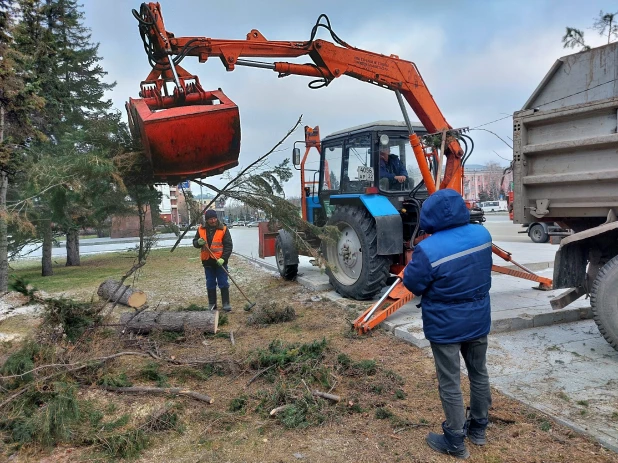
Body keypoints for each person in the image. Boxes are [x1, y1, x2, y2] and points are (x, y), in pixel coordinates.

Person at [402, 189, 492, 459]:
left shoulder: (427, 249)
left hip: (445, 326)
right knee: (479, 373)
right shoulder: (483, 236)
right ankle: (478, 429)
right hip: (477, 318)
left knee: (450, 381)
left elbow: (412, 284)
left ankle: (454, 440)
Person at [193, 209, 233, 312]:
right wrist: (198, 242)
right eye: (211, 219)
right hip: (207, 262)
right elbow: (195, 243)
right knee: (210, 283)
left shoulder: (223, 229)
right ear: (207, 220)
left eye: (214, 218)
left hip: (220, 262)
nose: (213, 221)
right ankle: (212, 303)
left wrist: (223, 259)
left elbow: (228, 246)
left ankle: (226, 303)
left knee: (223, 282)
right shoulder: (201, 229)